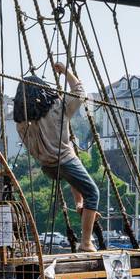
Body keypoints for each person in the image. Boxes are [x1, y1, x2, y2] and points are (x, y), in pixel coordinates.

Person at [14, 62, 99, 251]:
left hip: (47, 167)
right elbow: (79, 91)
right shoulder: (57, 108)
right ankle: (86, 242)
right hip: (64, 161)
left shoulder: (21, 123)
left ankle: (78, 203)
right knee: (93, 193)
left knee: (71, 167)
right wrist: (65, 72)